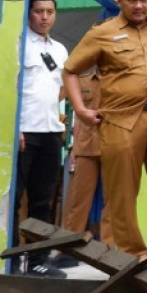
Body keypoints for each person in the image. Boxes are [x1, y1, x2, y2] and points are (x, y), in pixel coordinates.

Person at [61, 0, 147, 265]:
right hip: (119, 123)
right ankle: (133, 258)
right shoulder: (102, 33)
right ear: (119, 0)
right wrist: (79, 109)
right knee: (122, 197)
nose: (139, 5)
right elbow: (70, 70)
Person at [14, 0, 68, 278]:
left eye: (49, 11)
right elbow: (10, 85)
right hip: (25, 132)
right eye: (38, 11)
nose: (44, 17)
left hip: (50, 133)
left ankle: (38, 261)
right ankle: (11, 261)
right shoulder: (19, 42)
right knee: (16, 199)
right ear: (29, 13)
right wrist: (16, 127)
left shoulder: (60, 50)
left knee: (42, 200)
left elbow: (62, 87)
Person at [53, 67, 112, 268]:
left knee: (113, 202)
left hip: (116, 147)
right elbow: (77, 119)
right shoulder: (83, 80)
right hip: (86, 146)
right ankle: (68, 249)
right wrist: (74, 151)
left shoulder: (123, 79)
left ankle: (110, 251)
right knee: (77, 200)